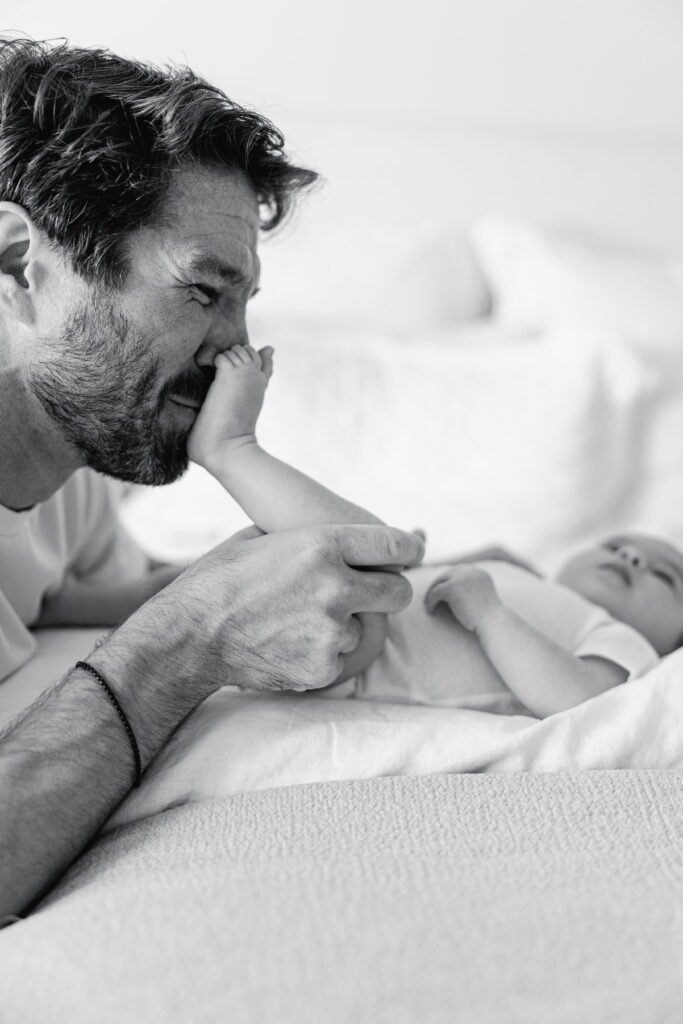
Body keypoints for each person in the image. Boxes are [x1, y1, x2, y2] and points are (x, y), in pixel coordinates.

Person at [0, 39, 424, 922]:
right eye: (202, 290)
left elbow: (68, 593)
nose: (235, 349)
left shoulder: (72, 469)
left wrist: (248, 576)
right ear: (16, 263)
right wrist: (191, 636)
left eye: (245, 302)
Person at [186, 341, 683, 720]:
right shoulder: (531, 581)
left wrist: (490, 615)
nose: (633, 559)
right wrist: (427, 557)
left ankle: (230, 448)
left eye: (667, 576)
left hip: (357, 657)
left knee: (367, 545)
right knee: (364, 552)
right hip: (342, 618)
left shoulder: (624, 643)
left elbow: (578, 700)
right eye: (618, 546)